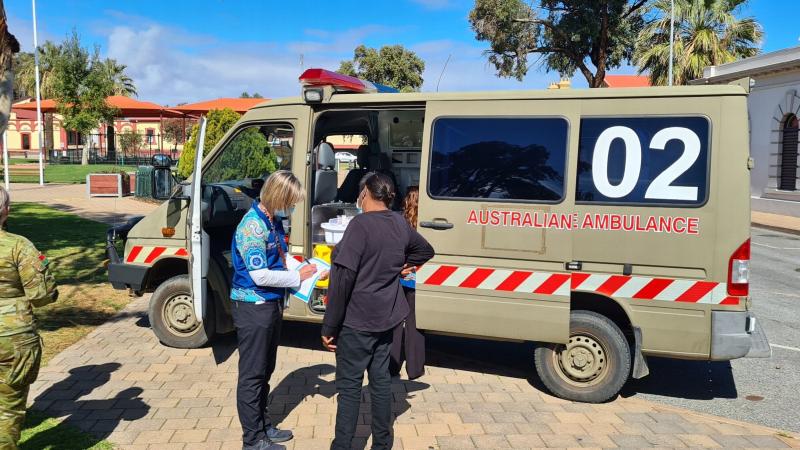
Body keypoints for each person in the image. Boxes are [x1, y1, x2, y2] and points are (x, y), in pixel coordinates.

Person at [321, 173, 434, 450]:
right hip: (387, 319)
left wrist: (329, 327)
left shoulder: (360, 225)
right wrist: (405, 265)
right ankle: (382, 444)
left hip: (357, 320)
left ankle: (343, 445)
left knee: (349, 388)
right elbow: (426, 250)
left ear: (366, 194)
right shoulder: (398, 221)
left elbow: (343, 278)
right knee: (381, 382)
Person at [231, 170, 327, 450]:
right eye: (290, 200)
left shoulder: (271, 220)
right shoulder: (252, 227)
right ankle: (252, 440)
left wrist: (298, 265)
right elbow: (260, 274)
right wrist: (300, 277)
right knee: (252, 375)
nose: (292, 206)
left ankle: (263, 427)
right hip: (253, 306)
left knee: (265, 370)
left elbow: (278, 261)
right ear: (278, 196)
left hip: (270, 304)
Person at [0, 185, 58, 450]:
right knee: (8, 410)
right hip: (14, 338)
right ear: (6, 211)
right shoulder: (19, 246)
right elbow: (41, 295)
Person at [390, 186, 425, 380]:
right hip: (418, 281)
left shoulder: (399, 222)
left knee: (395, 323)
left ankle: (392, 367)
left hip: (400, 279)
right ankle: (415, 368)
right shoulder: (426, 225)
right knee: (415, 325)